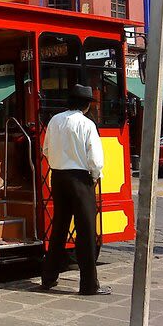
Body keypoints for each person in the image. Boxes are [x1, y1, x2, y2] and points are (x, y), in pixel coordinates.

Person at [40, 84, 111, 295]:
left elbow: (45, 150)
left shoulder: (54, 120)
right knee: (86, 232)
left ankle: (49, 277)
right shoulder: (87, 124)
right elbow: (95, 160)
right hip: (81, 180)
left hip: (59, 177)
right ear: (87, 105)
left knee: (59, 228)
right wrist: (95, 176)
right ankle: (89, 284)